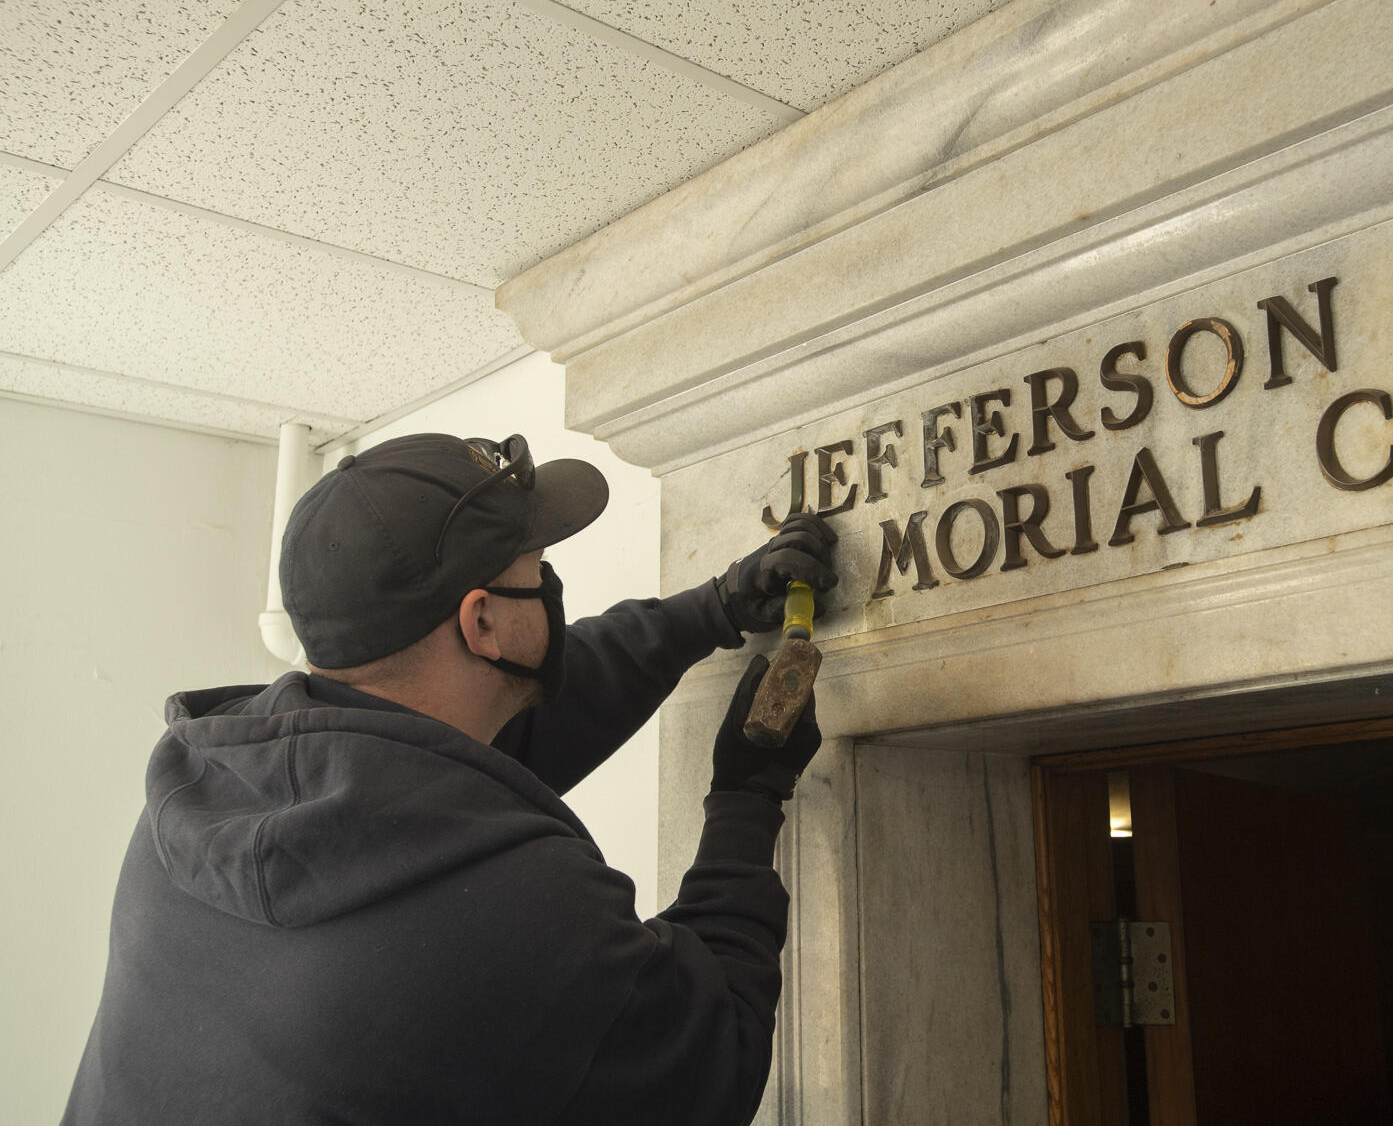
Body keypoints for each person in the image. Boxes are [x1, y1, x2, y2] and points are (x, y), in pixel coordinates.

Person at [62, 431, 839, 1125]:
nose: (548, 583)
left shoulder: (202, 796)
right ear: (482, 621)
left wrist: (711, 609)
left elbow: (493, 732)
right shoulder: (520, 903)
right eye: (536, 568)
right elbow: (710, 1066)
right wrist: (748, 796)